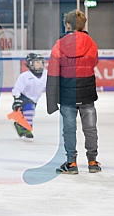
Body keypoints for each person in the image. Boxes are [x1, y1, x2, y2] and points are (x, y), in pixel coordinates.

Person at [46, 10, 101, 174]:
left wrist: (51, 99)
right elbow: (94, 61)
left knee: (69, 129)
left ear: (68, 25)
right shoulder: (91, 43)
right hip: (87, 93)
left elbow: (53, 73)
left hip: (67, 95)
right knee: (90, 129)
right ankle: (92, 161)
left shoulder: (59, 45)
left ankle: (72, 163)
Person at [11, 53, 47, 139]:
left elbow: (50, 85)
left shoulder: (46, 74)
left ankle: (19, 124)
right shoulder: (25, 76)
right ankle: (27, 128)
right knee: (29, 110)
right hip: (24, 97)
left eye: (41, 62)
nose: (40, 64)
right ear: (30, 64)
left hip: (34, 99)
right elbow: (17, 88)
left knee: (29, 114)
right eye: (37, 62)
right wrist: (16, 99)